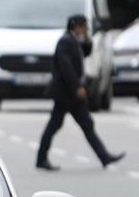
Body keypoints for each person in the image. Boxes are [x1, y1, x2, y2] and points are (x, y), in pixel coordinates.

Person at [36, 15, 125, 170]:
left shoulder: (74, 41)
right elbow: (66, 68)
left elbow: (86, 52)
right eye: (83, 26)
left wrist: (87, 38)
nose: (85, 29)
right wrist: (77, 87)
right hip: (66, 93)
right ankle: (41, 158)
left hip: (71, 94)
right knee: (56, 125)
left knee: (85, 124)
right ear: (75, 26)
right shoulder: (65, 41)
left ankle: (104, 156)